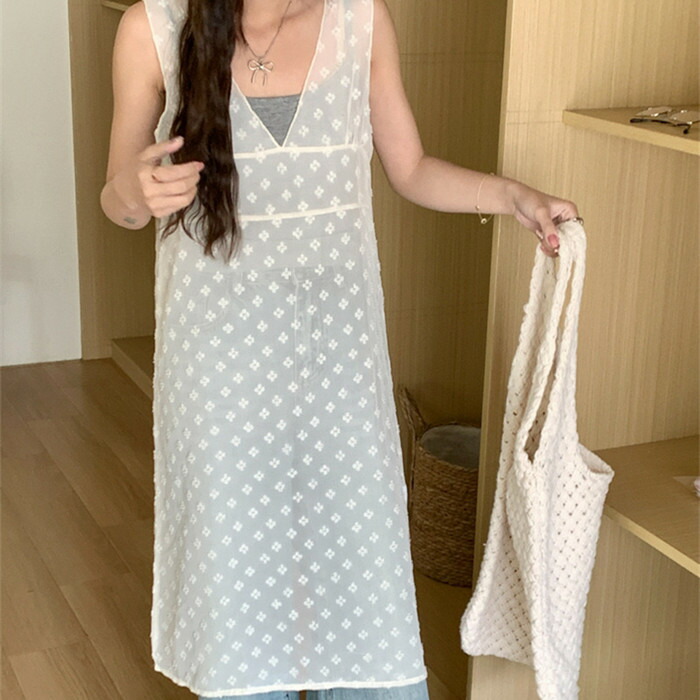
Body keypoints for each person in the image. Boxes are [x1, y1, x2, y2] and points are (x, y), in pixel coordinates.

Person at [100, 0, 580, 698]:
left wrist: (514, 198)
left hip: (339, 365)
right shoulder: (151, 29)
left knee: (361, 576)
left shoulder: (361, 19)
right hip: (218, 377)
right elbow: (118, 199)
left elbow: (411, 167)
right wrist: (134, 191)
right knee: (237, 587)